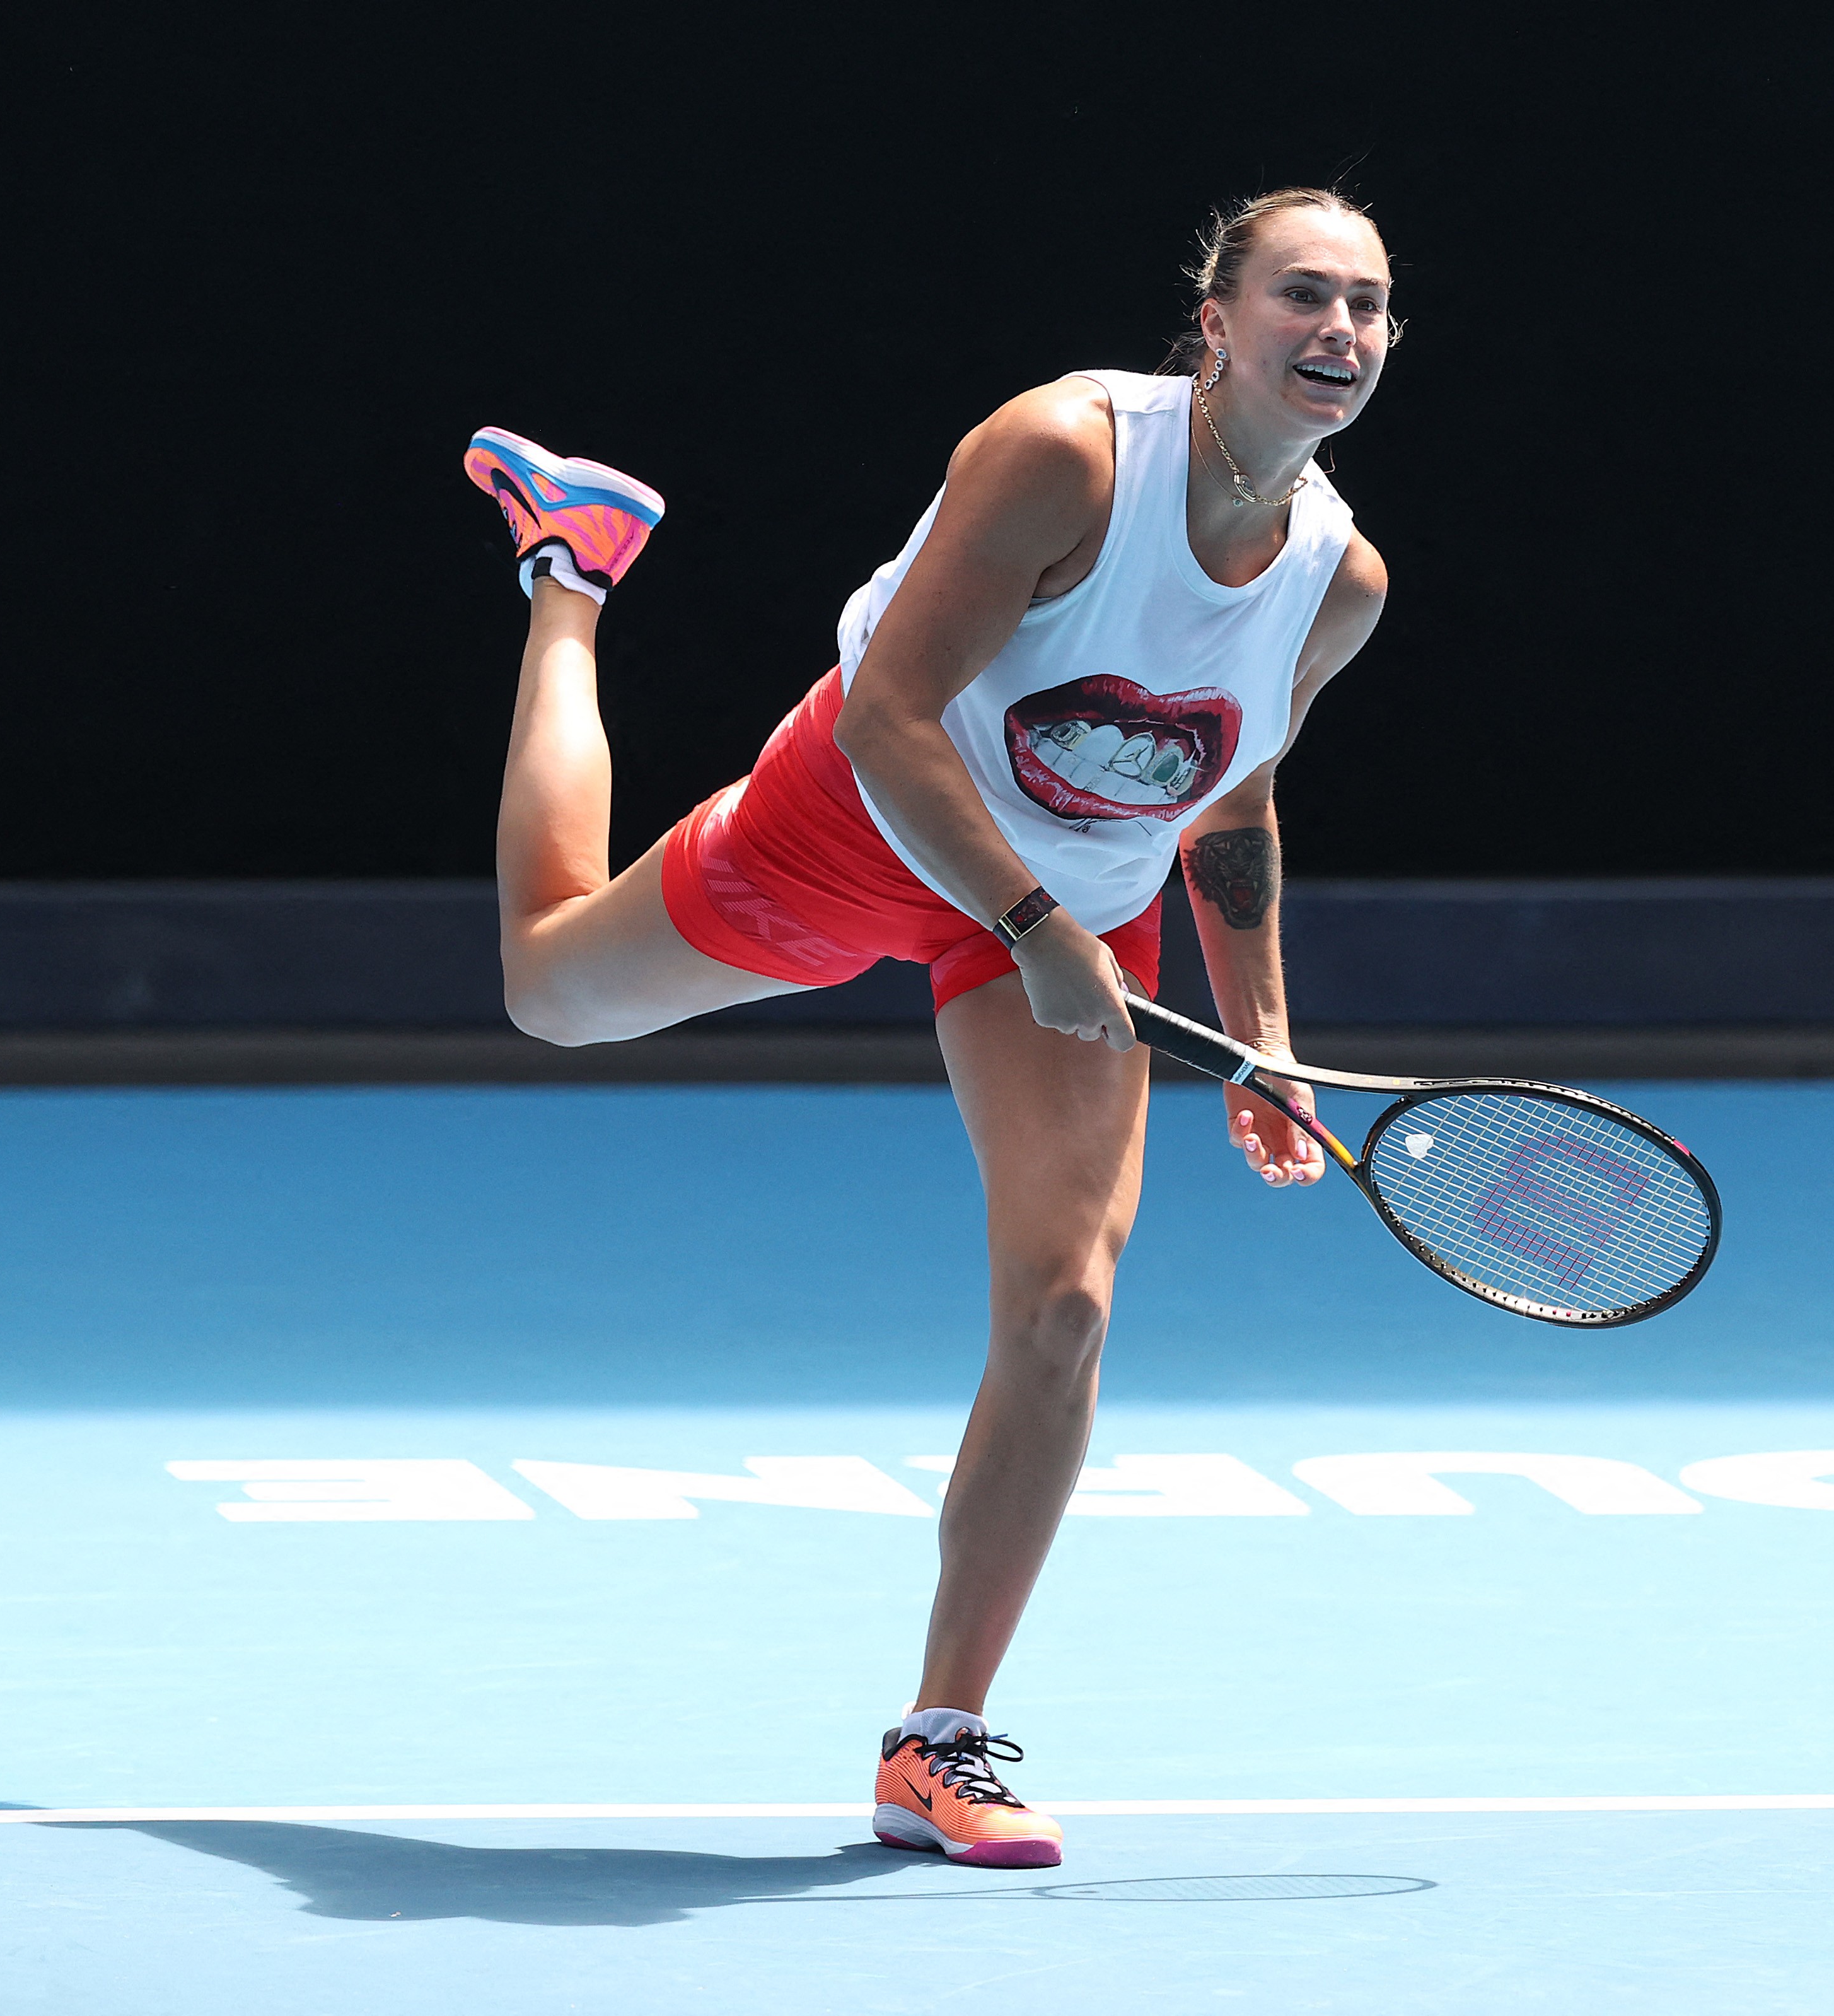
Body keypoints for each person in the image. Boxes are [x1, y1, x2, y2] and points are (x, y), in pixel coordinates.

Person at [465, 187, 1394, 1868]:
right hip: (857, 832)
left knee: (1064, 1311)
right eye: (1303, 298)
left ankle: (937, 1742)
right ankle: (572, 573)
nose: (1336, 335)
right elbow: (896, 714)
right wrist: (1029, 924)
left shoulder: (1336, 581)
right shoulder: (1066, 456)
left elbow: (1232, 802)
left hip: (1084, 905)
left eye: (1368, 308)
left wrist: (1260, 1040)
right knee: (550, 988)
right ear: (1217, 318)